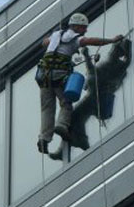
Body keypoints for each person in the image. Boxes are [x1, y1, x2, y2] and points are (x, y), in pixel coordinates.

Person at [35, 13, 123, 154]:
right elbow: (90, 41)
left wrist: (53, 39)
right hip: (58, 76)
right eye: (83, 27)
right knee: (66, 103)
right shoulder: (75, 38)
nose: (85, 30)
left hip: (43, 76)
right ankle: (62, 125)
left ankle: (44, 139)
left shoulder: (57, 35)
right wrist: (111, 40)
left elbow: (44, 43)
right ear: (76, 26)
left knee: (47, 108)